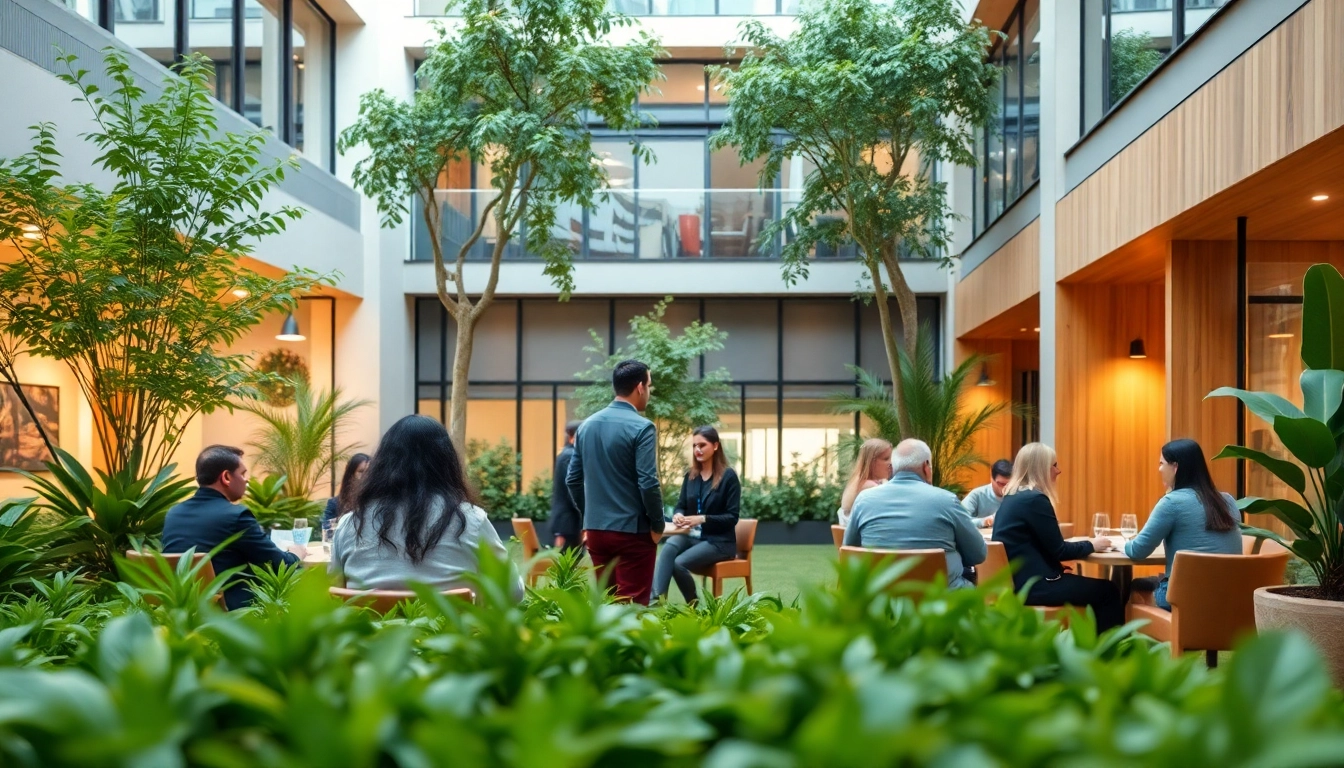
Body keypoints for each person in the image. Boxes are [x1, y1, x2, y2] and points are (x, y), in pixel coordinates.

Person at [329, 415, 522, 599]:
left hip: (374, 633)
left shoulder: (351, 524)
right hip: (449, 633)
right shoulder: (471, 520)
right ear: (446, 463)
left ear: (382, 464)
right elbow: (513, 592)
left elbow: (334, 594)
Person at [992, 443, 1124, 631]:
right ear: (1041, 469)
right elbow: (1060, 550)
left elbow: (1035, 546)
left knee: (1095, 588)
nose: (1058, 471)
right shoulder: (1035, 500)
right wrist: (1093, 544)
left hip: (1021, 582)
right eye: (1054, 465)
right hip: (1035, 586)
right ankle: (1112, 654)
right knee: (1108, 591)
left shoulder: (1013, 498)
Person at [566, 359, 664, 605]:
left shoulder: (586, 426)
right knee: (633, 609)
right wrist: (658, 524)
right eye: (650, 386)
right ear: (640, 387)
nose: (649, 392)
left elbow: (573, 479)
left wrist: (589, 516)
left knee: (607, 604)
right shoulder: (643, 428)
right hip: (634, 533)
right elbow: (648, 482)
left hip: (597, 532)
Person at [162, 445, 307, 611]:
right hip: (233, 617)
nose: (246, 480)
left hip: (181, 613)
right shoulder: (236, 516)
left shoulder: (173, 514)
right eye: (243, 473)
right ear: (226, 477)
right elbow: (279, 564)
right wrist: (296, 554)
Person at [841, 438, 986, 588]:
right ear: (926, 466)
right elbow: (978, 554)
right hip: (942, 602)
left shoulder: (864, 500)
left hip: (882, 600)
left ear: (893, 467)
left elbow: (850, 550)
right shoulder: (947, 500)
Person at [1126, 439, 1243, 610]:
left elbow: (1138, 550)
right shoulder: (1228, 500)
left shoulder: (1172, 502)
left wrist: (1122, 545)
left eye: (1161, 463)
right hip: (1229, 598)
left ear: (1175, 467)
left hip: (1185, 600)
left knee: (1135, 586)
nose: (1159, 469)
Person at [651, 426, 742, 603]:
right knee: (669, 547)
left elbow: (732, 518)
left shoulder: (728, 476)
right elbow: (681, 505)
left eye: (702, 445)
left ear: (715, 446)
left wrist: (702, 518)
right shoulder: (691, 476)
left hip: (719, 541)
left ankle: (693, 605)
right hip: (691, 535)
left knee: (678, 563)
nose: (697, 450)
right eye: (694, 446)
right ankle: (656, 602)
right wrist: (678, 515)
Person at [837, 438, 893, 528]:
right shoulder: (870, 487)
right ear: (871, 462)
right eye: (886, 459)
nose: (891, 463)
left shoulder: (856, 483)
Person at [550, 421, 584, 556]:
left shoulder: (566, 455)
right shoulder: (569, 456)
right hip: (569, 523)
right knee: (570, 565)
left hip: (567, 522)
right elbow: (572, 488)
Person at [322, 453, 370, 534]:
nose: (365, 476)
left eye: (369, 472)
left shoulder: (378, 501)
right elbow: (327, 530)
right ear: (351, 474)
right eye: (361, 472)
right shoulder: (335, 503)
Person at [961, 459, 1012, 529]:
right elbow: (960, 520)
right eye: (1001, 484)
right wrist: (985, 521)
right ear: (991, 478)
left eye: (1009, 484)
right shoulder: (977, 495)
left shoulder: (1018, 495)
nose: (1006, 488)